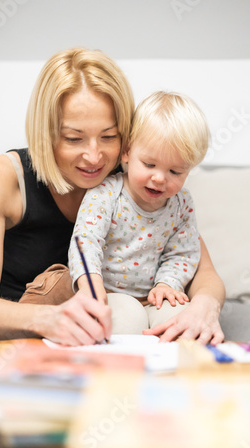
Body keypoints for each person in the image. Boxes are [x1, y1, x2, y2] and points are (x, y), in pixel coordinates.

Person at [0, 47, 225, 346]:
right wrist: (50, 318)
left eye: (109, 136)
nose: (95, 157)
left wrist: (205, 307)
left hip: (89, 344)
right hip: (6, 339)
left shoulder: (134, 179)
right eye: (74, 138)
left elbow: (203, 271)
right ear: (45, 133)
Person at [69, 91, 207, 337]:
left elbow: (183, 253)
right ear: (128, 152)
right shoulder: (106, 193)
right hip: (108, 293)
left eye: (175, 171)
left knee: (181, 322)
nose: (160, 178)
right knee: (126, 322)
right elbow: (85, 240)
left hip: (155, 294)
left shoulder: (181, 204)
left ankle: (171, 371)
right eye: (150, 165)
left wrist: (168, 284)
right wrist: (90, 284)